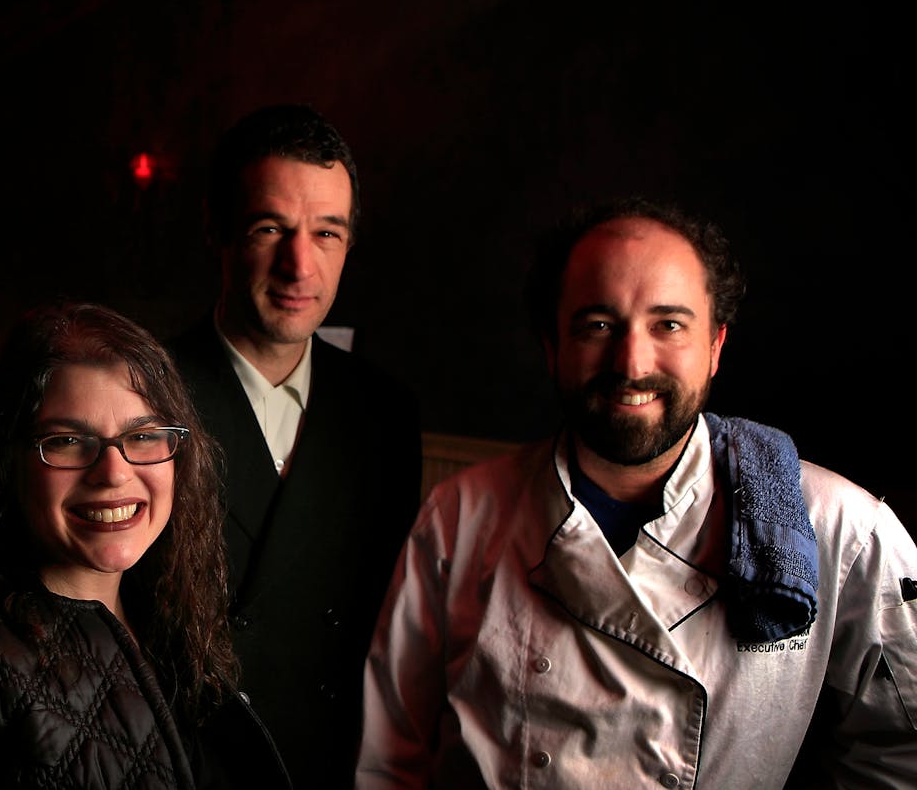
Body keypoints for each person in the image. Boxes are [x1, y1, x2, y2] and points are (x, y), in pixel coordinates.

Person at [356, 197, 917, 788]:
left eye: (668, 324)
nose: (631, 362)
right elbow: (393, 754)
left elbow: (902, 753)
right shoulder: (460, 514)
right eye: (598, 325)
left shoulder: (840, 528)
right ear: (552, 348)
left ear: (715, 346)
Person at [0, 302, 290, 788]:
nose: (114, 473)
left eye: (142, 435)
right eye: (66, 442)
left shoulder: (172, 614)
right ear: (6, 462)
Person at [168, 103, 421, 789]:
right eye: (270, 227)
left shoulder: (387, 415)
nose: (298, 263)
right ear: (216, 227)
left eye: (327, 233)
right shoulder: (146, 398)